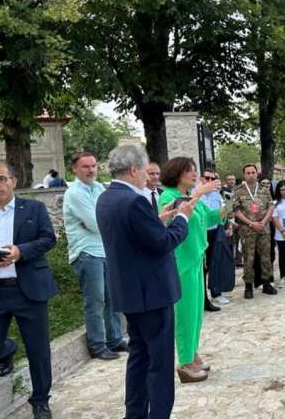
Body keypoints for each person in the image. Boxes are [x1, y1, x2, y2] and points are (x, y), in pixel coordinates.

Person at [96, 145, 194, 418]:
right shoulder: (134, 201)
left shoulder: (106, 198)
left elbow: (134, 234)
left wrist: (159, 218)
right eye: (145, 170)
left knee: (138, 357)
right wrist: (182, 217)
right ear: (133, 169)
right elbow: (163, 243)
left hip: (129, 292)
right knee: (160, 364)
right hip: (152, 293)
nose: (148, 176)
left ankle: (135, 413)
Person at [0, 162, 57, 419]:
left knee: (38, 350)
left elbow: (48, 239)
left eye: (1, 179)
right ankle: (7, 349)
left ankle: (40, 401)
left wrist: (21, 251)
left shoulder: (34, 209)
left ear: (13, 181)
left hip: (29, 290)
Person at [158, 157, 226, 383]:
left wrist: (228, 207)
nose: (194, 174)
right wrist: (199, 192)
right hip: (181, 262)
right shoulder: (168, 196)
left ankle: (192, 352)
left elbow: (209, 216)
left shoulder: (192, 195)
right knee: (185, 313)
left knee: (196, 312)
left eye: (195, 170)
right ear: (176, 173)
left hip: (196, 258)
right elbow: (180, 212)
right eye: (189, 170)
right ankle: (185, 361)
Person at [63, 152, 125, 361]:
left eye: (93, 166)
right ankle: (97, 345)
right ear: (74, 169)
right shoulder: (74, 193)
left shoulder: (99, 188)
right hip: (87, 253)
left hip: (106, 250)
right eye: (85, 166)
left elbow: (112, 215)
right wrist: (104, 221)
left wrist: (105, 221)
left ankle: (115, 339)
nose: (91, 170)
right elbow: (95, 223)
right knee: (96, 300)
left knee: (112, 297)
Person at [233, 164, 277, 299]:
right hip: (247, 229)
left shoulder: (264, 189)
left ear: (257, 174)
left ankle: (266, 283)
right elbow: (236, 210)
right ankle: (248, 286)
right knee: (248, 258)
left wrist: (263, 222)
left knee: (266, 257)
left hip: (264, 228)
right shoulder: (238, 190)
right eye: (248, 173)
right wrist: (251, 223)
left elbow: (271, 207)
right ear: (244, 175)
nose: (251, 175)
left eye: (253, 172)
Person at [198, 169, 224, 312]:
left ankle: (214, 293)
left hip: (214, 232)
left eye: (212, 179)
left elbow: (220, 214)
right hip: (200, 233)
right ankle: (203, 299)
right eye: (207, 178)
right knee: (202, 267)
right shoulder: (195, 194)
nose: (209, 181)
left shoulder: (217, 195)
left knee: (213, 264)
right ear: (201, 178)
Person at [222, 173, 243, 268]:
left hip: (239, 219)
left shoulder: (238, 191)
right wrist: (231, 218)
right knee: (230, 240)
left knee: (239, 240)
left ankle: (239, 260)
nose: (231, 181)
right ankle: (230, 261)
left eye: (232, 179)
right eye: (229, 179)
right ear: (226, 181)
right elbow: (227, 208)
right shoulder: (223, 192)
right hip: (228, 220)